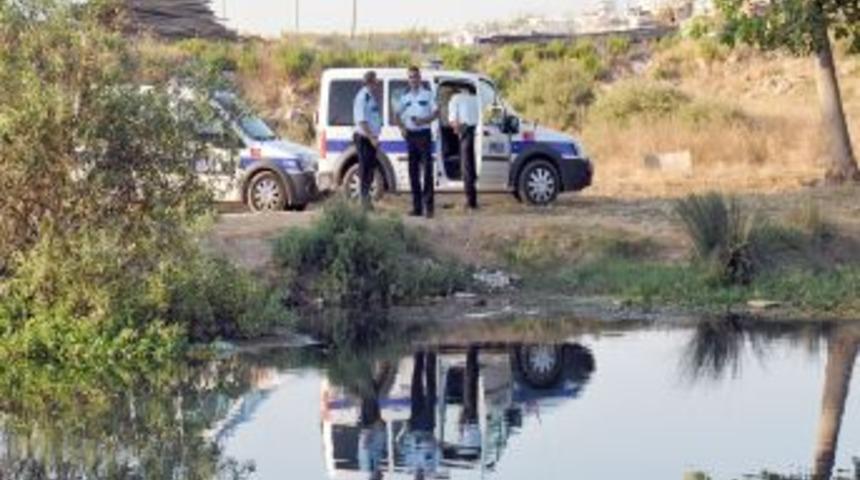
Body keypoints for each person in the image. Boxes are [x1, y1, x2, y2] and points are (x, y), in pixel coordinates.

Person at [394, 66, 438, 218]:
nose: (413, 79)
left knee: (427, 173)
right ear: (408, 79)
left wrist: (423, 120)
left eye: (415, 76)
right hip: (411, 136)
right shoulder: (404, 98)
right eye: (411, 77)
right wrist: (402, 129)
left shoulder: (428, 95)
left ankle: (429, 208)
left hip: (424, 135)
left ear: (420, 78)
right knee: (413, 173)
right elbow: (397, 115)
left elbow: (436, 113)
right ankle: (417, 208)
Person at [353, 70, 384, 210]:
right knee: (365, 170)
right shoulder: (363, 97)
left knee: (370, 170)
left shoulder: (370, 96)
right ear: (370, 81)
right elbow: (362, 121)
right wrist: (372, 138)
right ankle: (363, 203)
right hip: (364, 138)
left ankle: (367, 202)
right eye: (375, 81)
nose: (377, 83)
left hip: (371, 138)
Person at [448, 84, 480, 210]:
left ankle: (470, 201)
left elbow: (452, 120)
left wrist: (456, 129)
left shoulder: (456, 98)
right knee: (472, 166)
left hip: (465, 131)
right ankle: (473, 199)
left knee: (466, 167)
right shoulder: (476, 98)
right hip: (476, 131)